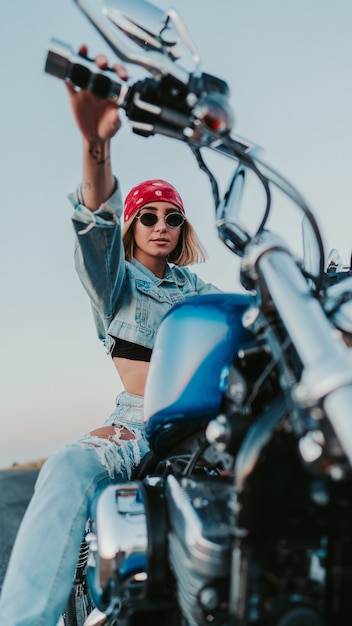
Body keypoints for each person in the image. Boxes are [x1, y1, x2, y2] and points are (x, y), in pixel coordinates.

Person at [0, 52, 220, 626]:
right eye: (148, 216)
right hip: (140, 422)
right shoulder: (117, 284)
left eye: (172, 217)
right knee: (69, 467)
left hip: (213, 420)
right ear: (133, 225)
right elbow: (94, 222)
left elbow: (243, 320)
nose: (162, 226)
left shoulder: (198, 289)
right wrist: (96, 146)